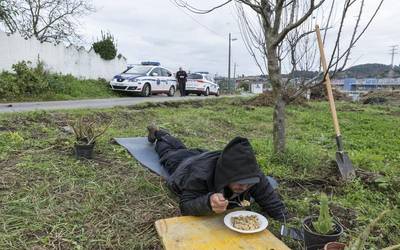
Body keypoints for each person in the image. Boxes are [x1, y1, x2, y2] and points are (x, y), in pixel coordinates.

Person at [147, 124, 287, 221]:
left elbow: (270, 200)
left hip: (204, 155)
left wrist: (287, 220)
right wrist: (207, 203)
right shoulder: (200, 175)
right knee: (168, 151)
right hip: (183, 164)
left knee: (182, 147)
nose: (245, 188)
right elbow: (186, 205)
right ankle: (158, 134)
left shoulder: (253, 175)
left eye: (249, 184)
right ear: (226, 176)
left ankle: (166, 135)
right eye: (240, 184)